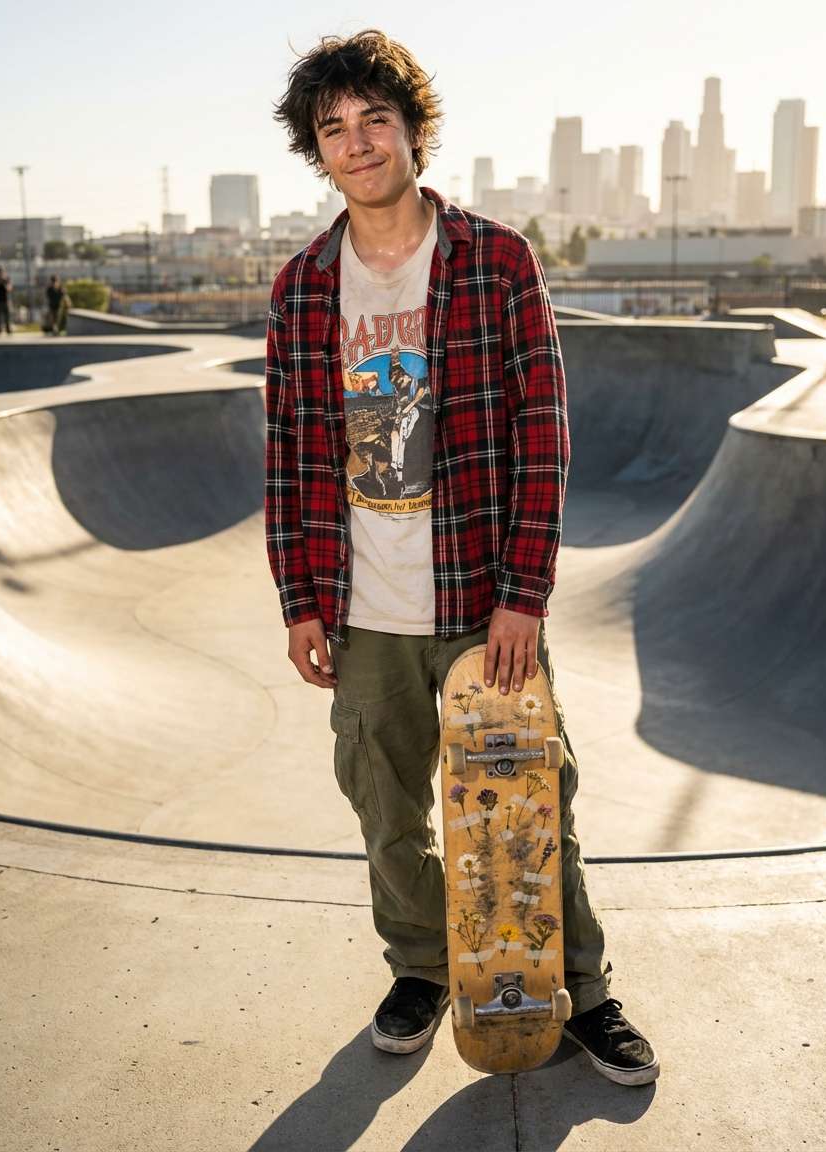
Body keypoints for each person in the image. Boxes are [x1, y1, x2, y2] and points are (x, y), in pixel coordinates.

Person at [265, 29, 659, 1087]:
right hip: (360, 607)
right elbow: (294, 450)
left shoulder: (493, 257)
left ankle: (584, 992)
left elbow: (544, 428)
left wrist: (522, 593)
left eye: (373, 120)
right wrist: (301, 598)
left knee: (535, 808)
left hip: (482, 600)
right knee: (386, 813)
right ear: (318, 150)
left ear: (411, 131)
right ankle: (421, 969)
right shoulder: (303, 287)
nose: (356, 144)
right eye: (333, 130)